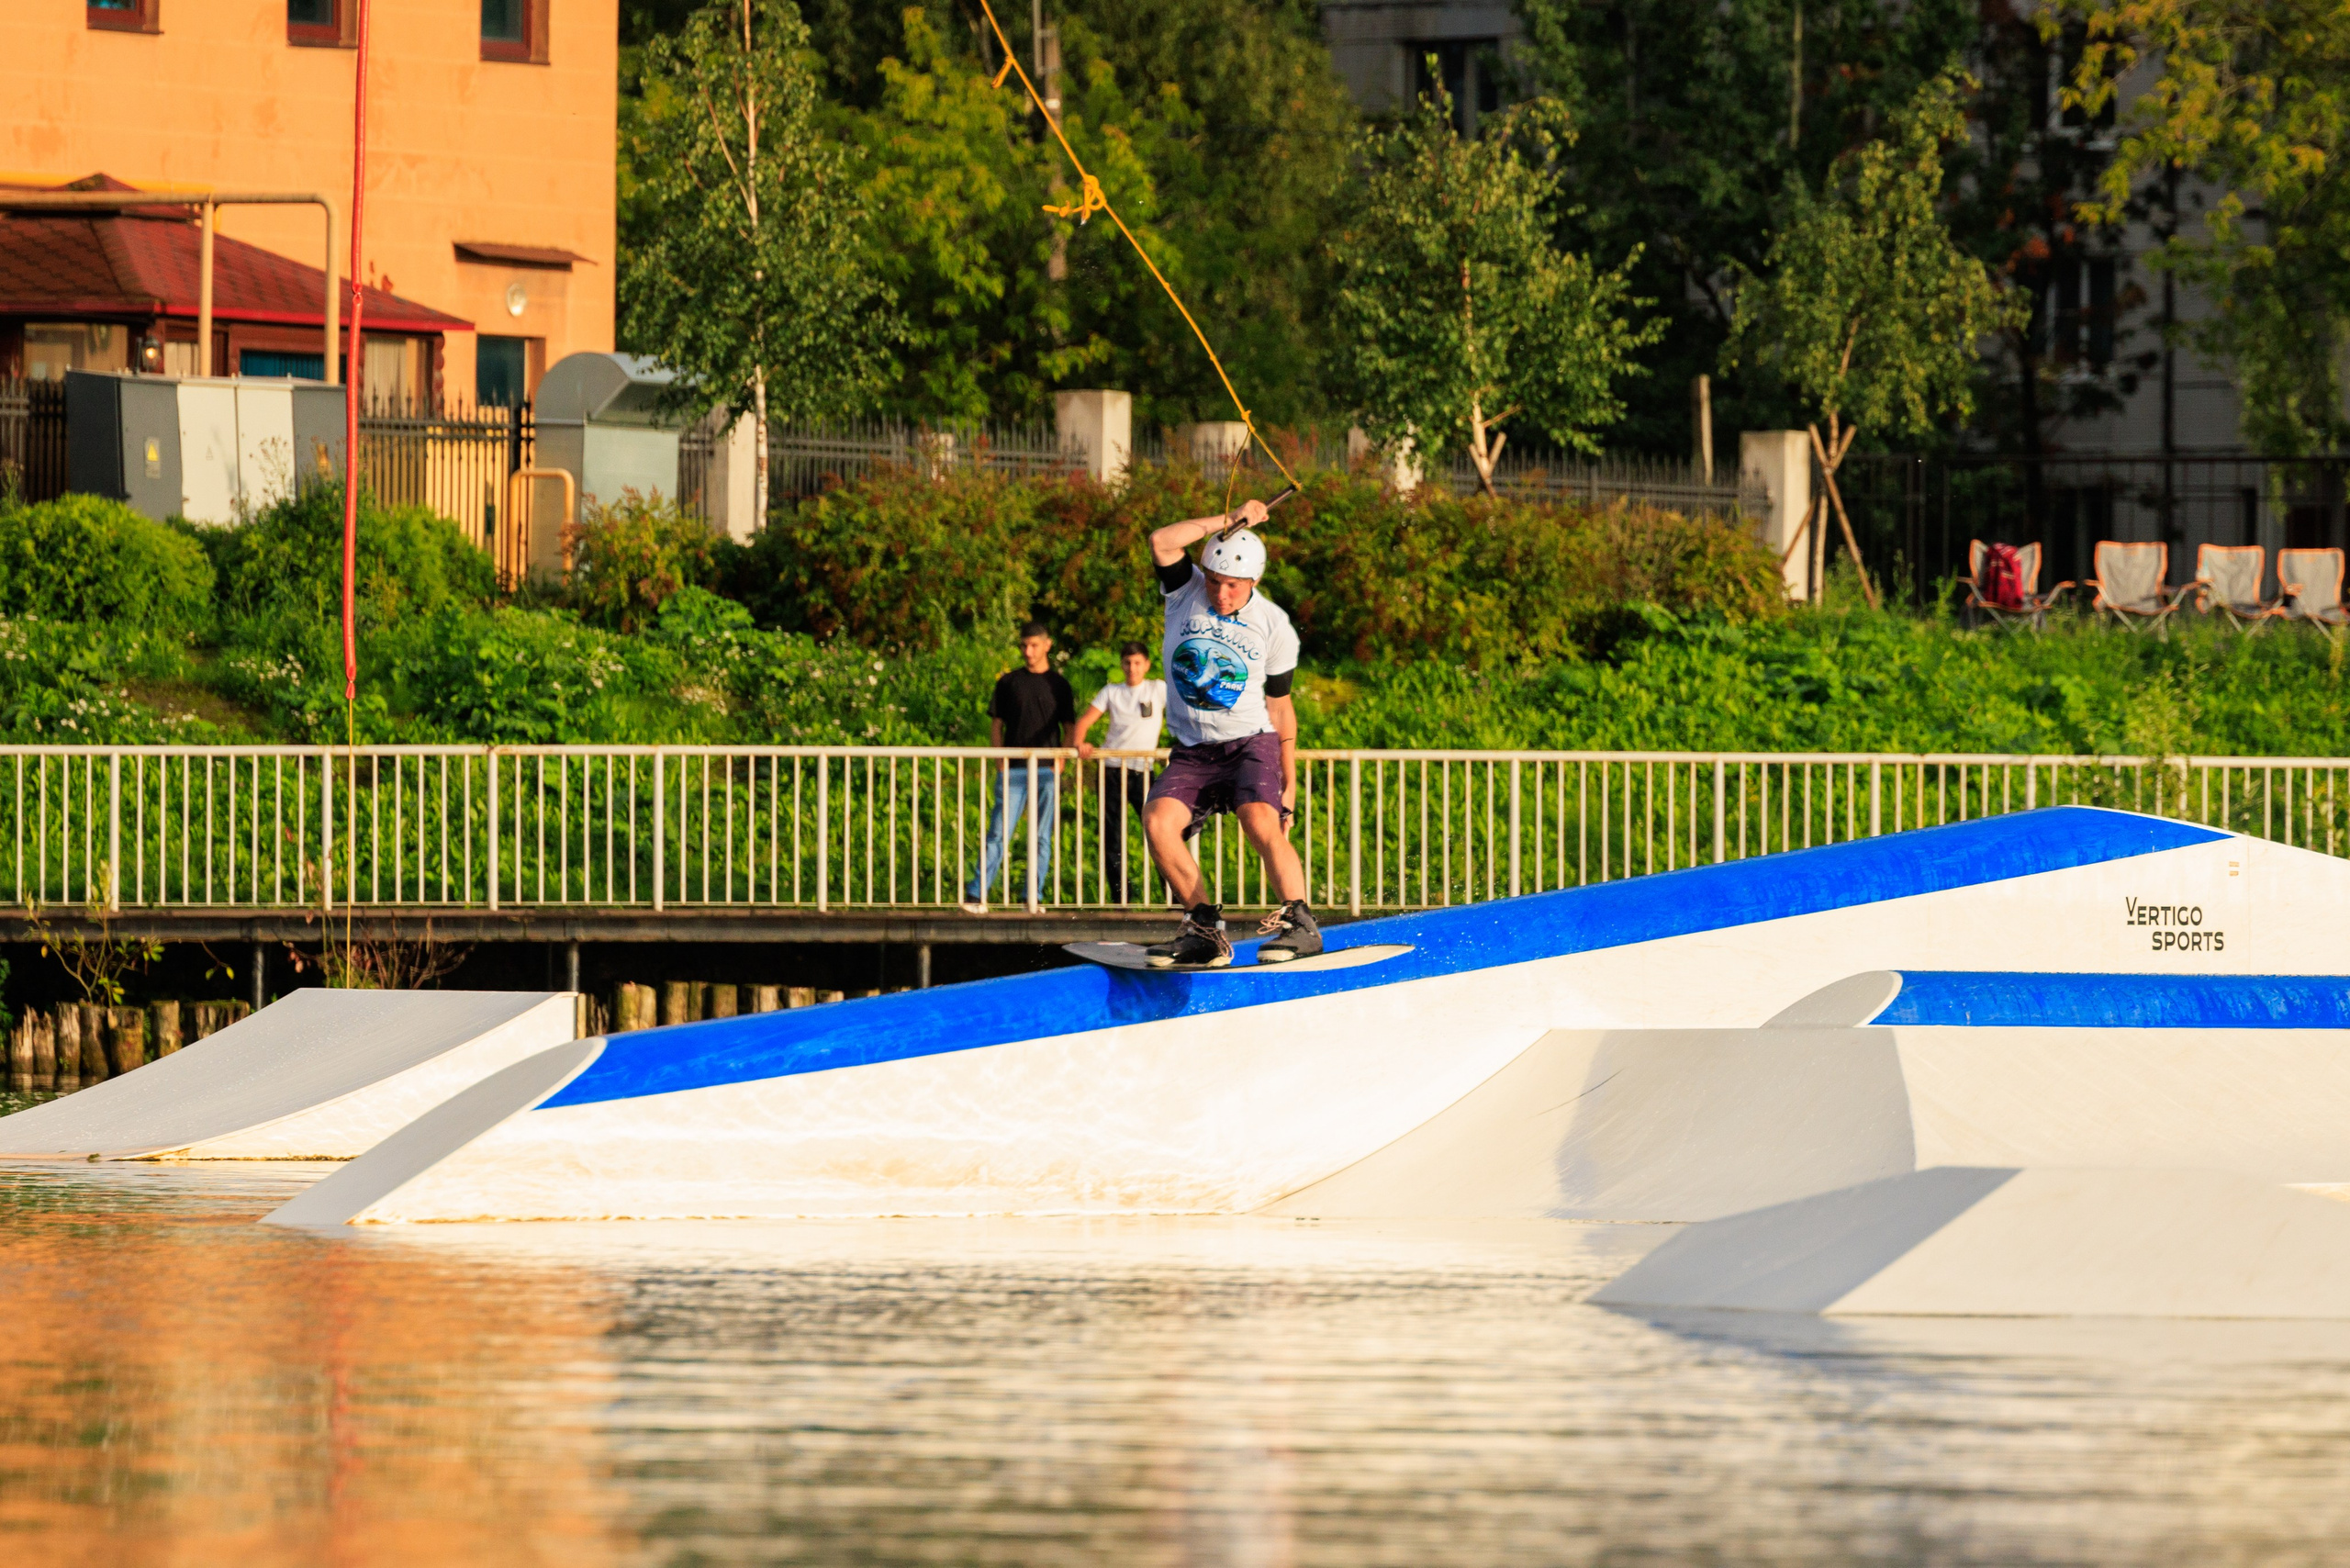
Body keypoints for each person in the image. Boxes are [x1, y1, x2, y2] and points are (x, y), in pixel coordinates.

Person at [1140, 497, 1321, 966]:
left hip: (1250, 745)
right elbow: (1162, 540)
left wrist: (1290, 779)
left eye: (1233, 586)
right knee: (1158, 822)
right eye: (1215, 581)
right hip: (1193, 750)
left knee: (1260, 819)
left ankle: (1299, 922)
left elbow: (1280, 706)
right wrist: (1231, 520)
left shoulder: (1274, 625)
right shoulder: (1184, 592)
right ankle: (1203, 929)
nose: (1221, 594)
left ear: (1253, 582)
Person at [961, 622, 1075, 914]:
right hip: (1013, 771)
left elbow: (1070, 727)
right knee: (998, 833)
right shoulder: (1008, 682)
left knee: (1041, 837)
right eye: (1024, 645)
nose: (1028, 651)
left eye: (1034, 645)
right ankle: (976, 895)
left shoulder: (1059, 685)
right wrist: (999, 760)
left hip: (1047, 770)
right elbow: (996, 724)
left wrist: (1061, 762)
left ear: (1047, 645)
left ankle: (1032, 898)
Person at [1074, 642, 1167, 902]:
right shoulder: (1112, 691)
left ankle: (1174, 897)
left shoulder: (1157, 689)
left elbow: (1184, 711)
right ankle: (1121, 899)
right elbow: (1084, 721)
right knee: (1112, 834)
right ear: (1121, 665)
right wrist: (1080, 743)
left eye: (1137, 663)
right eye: (1127, 663)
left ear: (1146, 665)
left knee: (1160, 831)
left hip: (1143, 770)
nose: (1132, 668)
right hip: (1112, 769)